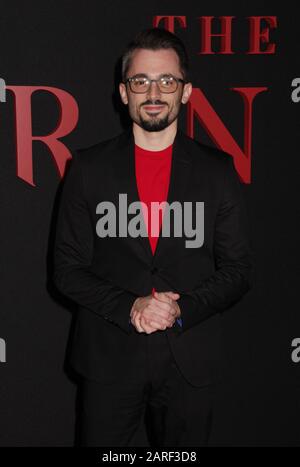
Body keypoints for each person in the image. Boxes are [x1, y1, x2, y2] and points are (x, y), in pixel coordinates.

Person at [53, 27, 253, 447]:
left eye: (167, 80)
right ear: (124, 92)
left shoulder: (218, 172)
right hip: (110, 356)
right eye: (141, 81)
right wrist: (131, 306)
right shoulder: (88, 169)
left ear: (187, 91)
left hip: (189, 357)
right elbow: (67, 270)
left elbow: (237, 269)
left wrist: (180, 311)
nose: (154, 92)